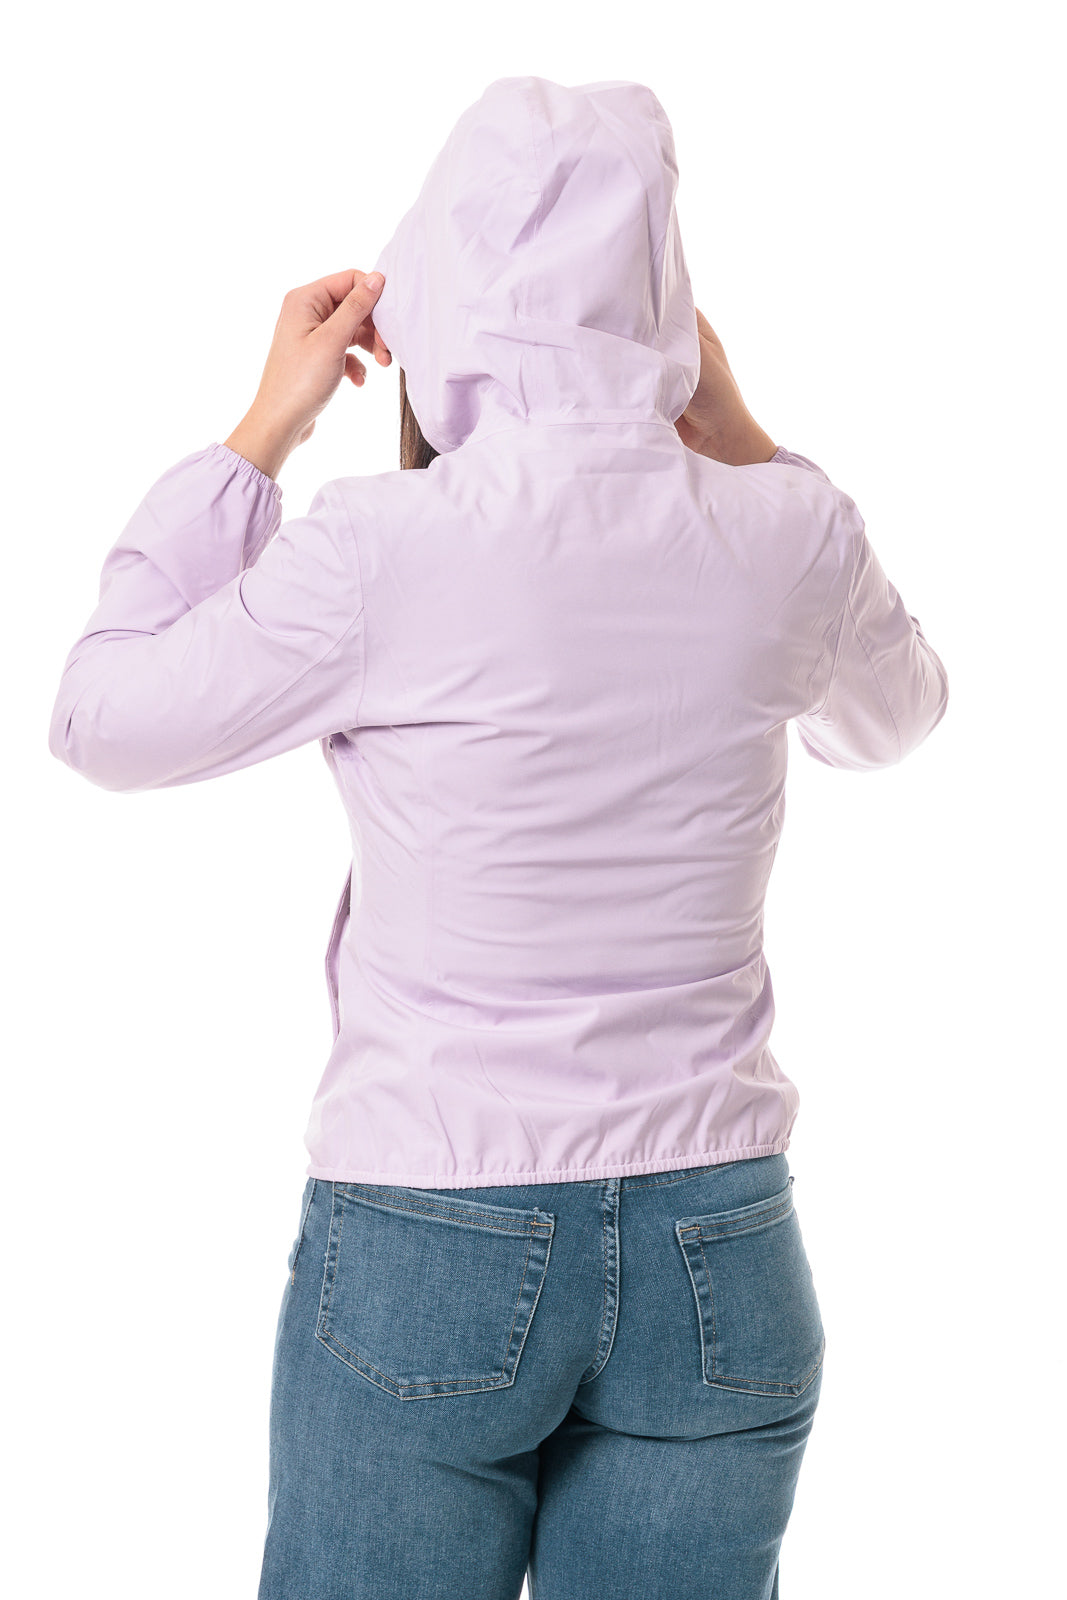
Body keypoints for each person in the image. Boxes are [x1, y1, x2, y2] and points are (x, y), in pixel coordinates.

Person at [47, 75, 949, 1600]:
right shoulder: (787, 534)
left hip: (433, 1240)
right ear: (669, 304)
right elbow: (898, 716)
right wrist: (736, 430)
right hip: (722, 1246)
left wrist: (262, 431)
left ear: (436, 305)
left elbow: (102, 722)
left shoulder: (384, 548)